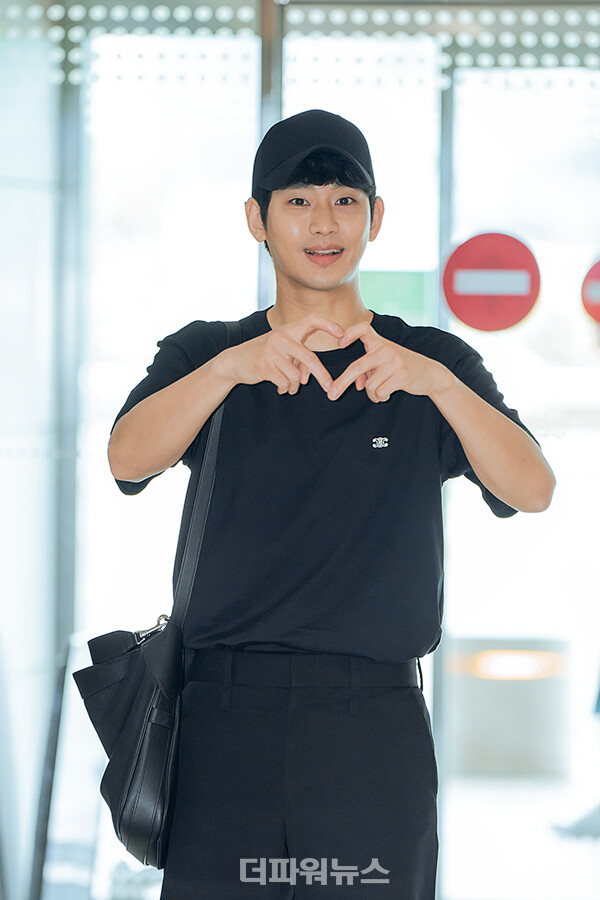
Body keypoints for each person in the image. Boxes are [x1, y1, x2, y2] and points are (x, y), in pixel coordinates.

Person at [107, 109, 556, 899]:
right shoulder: (206, 353)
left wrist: (441, 387)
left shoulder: (429, 364)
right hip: (222, 724)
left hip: (372, 729)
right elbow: (126, 457)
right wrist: (228, 371)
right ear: (258, 219)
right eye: (299, 200)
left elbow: (532, 488)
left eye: (346, 201)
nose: (324, 223)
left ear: (376, 219)